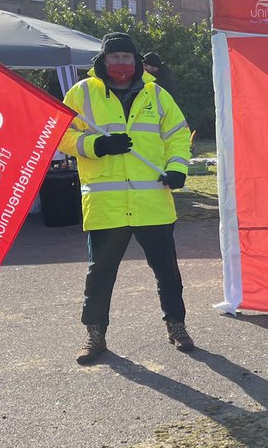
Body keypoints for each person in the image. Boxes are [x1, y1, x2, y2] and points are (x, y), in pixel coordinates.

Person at [59, 32, 194, 364]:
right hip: (107, 207)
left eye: (126, 57)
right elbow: (61, 133)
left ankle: (176, 326)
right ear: (103, 60)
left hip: (152, 202)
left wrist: (178, 169)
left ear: (136, 61)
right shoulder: (82, 94)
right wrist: (96, 146)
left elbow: (177, 135)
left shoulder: (156, 95)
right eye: (114, 57)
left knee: (167, 272)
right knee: (100, 275)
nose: (121, 63)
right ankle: (95, 334)